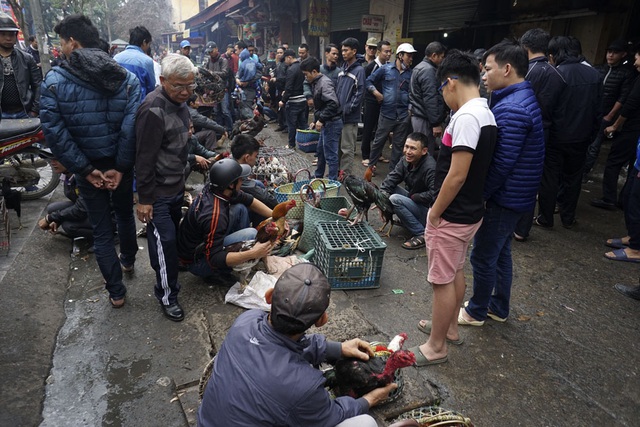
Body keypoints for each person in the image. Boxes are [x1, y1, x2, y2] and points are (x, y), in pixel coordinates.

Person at [197, 262, 396, 427]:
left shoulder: (246, 321)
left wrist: (337, 348)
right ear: (322, 320)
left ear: (269, 296)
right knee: (365, 423)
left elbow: (281, 344)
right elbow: (333, 415)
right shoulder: (304, 387)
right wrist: (369, 400)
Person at [40, 14, 140, 309]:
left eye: (61, 42)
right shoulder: (127, 79)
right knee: (124, 215)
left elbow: (55, 135)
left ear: (72, 42)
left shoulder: (54, 82)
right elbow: (131, 127)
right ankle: (130, 262)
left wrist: (86, 170)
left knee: (101, 230)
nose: (61, 48)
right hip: (120, 167)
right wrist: (120, 168)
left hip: (88, 168)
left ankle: (117, 293)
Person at [411, 50, 497, 366]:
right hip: (471, 212)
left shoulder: (466, 117)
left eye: (441, 90)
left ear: (450, 82)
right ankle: (447, 330)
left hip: (453, 213)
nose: (443, 97)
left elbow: (456, 174)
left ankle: (436, 347)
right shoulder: (485, 112)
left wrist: (435, 212)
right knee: (456, 269)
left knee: (442, 279)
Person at [459, 41, 544, 327]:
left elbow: (501, 164)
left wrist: (481, 195)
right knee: (501, 253)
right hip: (516, 196)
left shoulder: (512, 108)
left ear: (507, 69)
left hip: (504, 197)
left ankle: (477, 311)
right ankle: (498, 306)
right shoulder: (519, 97)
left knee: (483, 256)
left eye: (488, 69)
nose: (483, 76)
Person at [135, 53, 196, 322]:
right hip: (157, 193)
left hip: (175, 186)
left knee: (163, 241)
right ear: (162, 80)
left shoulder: (181, 104)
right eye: (178, 86)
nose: (185, 92)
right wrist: (144, 198)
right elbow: (144, 159)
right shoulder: (152, 110)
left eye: (190, 86)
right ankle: (167, 295)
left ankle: (165, 272)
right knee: (166, 241)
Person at [534, 36, 602, 229]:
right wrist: (591, 135)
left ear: (554, 54)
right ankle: (568, 218)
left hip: (556, 137)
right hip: (581, 138)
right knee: (573, 179)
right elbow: (599, 111)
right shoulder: (594, 75)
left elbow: (546, 108)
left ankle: (545, 218)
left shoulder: (556, 74)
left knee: (549, 178)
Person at [177, 158, 274, 281]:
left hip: (200, 244)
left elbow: (249, 200)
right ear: (231, 185)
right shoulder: (215, 214)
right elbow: (214, 258)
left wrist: (276, 216)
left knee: (240, 208)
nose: (242, 180)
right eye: (240, 179)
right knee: (251, 234)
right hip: (197, 262)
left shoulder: (217, 189)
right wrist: (253, 253)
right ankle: (219, 272)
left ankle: (239, 255)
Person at [513, 28, 566, 242]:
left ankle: (514, 225)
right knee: (532, 181)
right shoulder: (558, 74)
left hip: (524, 132)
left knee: (517, 179)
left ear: (525, 47)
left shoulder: (526, 72)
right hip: (546, 132)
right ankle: (522, 229)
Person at [590, 44, 640, 211]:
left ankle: (610, 198)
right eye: (609, 51)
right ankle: (624, 199)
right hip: (624, 125)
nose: (635, 63)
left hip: (630, 128)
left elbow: (628, 101)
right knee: (634, 165)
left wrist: (614, 122)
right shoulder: (601, 70)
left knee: (614, 161)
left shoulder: (629, 76)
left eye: (637, 58)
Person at [584, 39, 635, 182]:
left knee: (595, 145)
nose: (611, 55)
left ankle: (584, 172)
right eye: (609, 52)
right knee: (585, 142)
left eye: (615, 53)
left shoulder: (625, 74)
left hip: (606, 114)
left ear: (623, 54)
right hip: (592, 113)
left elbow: (623, 98)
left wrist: (610, 115)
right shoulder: (599, 69)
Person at [380, 132, 436, 250]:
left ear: (424, 151)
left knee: (395, 199)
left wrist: (416, 197)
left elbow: (436, 194)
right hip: (414, 200)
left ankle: (421, 233)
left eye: (413, 148)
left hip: (429, 212)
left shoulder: (430, 168)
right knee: (387, 192)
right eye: (406, 147)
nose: (408, 151)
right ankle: (406, 220)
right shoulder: (405, 161)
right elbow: (390, 180)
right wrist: (380, 201)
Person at [367, 43, 417, 171]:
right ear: (400, 56)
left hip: (403, 115)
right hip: (386, 114)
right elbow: (368, 81)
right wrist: (376, 93)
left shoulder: (411, 74)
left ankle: (393, 173)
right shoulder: (386, 69)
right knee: (378, 142)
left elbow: (413, 93)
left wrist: (410, 110)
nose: (411, 59)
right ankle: (371, 167)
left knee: (398, 146)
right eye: (409, 56)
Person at [301, 56, 343, 180]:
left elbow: (332, 103)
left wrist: (321, 120)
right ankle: (318, 175)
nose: (305, 77)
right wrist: (315, 121)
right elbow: (322, 106)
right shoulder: (316, 82)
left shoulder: (324, 83)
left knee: (331, 155)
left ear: (314, 71)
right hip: (326, 122)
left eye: (306, 74)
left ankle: (332, 182)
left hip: (332, 123)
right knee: (321, 152)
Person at [38, 156, 93, 242]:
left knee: (69, 226)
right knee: (52, 208)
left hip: (107, 215)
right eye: (52, 160)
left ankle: (111, 235)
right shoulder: (67, 176)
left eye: (57, 159)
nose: (53, 163)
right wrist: (57, 219)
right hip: (87, 208)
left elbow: (81, 210)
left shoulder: (82, 177)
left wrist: (50, 218)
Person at [409, 42, 447, 156]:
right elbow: (430, 98)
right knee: (424, 151)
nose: (442, 60)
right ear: (434, 55)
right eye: (441, 57)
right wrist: (435, 123)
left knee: (420, 149)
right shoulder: (428, 70)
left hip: (420, 116)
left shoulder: (420, 67)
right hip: (424, 118)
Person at [0, 13, 41, 119]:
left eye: (12, 34)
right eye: (3, 34)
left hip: (24, 113)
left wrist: (34, 111)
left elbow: (38, 85)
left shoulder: (27, 58)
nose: (8, 38)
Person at [336, 37, 365, 173]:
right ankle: (338, 172)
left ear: (354, 51)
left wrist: (348, 109)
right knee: (338, 147)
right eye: (342, 50)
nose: (343, 53)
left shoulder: (359, 70)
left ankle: (345, 176)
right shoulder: (342, 69)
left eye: (346, 50)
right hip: (339, 116)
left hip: (350, 117)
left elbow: (359, 93)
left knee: (347, 149)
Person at [361, 40, 392, 166]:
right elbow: (366, 84)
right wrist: (375, 94)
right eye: (386, 52)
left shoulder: (389, 66)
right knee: (368, 128)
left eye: (390, 51)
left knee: (379, 130)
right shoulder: (371, 66)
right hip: (371, 102)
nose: (389, 54)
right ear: (379, 52)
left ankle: (377, 154)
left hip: (383, 103)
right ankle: (365, 155)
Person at [113, 26, 155, 99]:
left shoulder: (116, 58)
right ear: (144, 42)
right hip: (139, 104)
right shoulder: (147, 61)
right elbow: (150, 87)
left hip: (118, 102)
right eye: (149, 44)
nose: (148, 47)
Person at [203, 41, 234, 132]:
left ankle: (230, 129)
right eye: (209, 52)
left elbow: (225, 73)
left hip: (223, 89)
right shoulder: (208, 60)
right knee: (216, 111)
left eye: (211, 51)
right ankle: (219, 130)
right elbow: (204, 71)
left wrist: (211, 73)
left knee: (225, 111)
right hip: (213, 91)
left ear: (216, 49)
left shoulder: (223, 60)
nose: (210, 53)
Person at [279, 49, 307, 149]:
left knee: (292, 124)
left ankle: (291, 144)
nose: (285, 62)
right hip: (303, 99)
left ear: (289, 57)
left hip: (294, 100)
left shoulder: (291, 70)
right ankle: (306, 143)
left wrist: (283, 100)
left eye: (285, 59)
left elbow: (289, 87)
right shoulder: (302, 67)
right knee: (303, 123)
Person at [236, 47, 261, 119]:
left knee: (246, 107)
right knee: (248, 105)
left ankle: (252, 122)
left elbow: (239, 74)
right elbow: (260, 68)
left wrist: (240, 80)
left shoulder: (243, 64)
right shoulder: (254, 62)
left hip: (246, 88)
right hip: (253, 87)